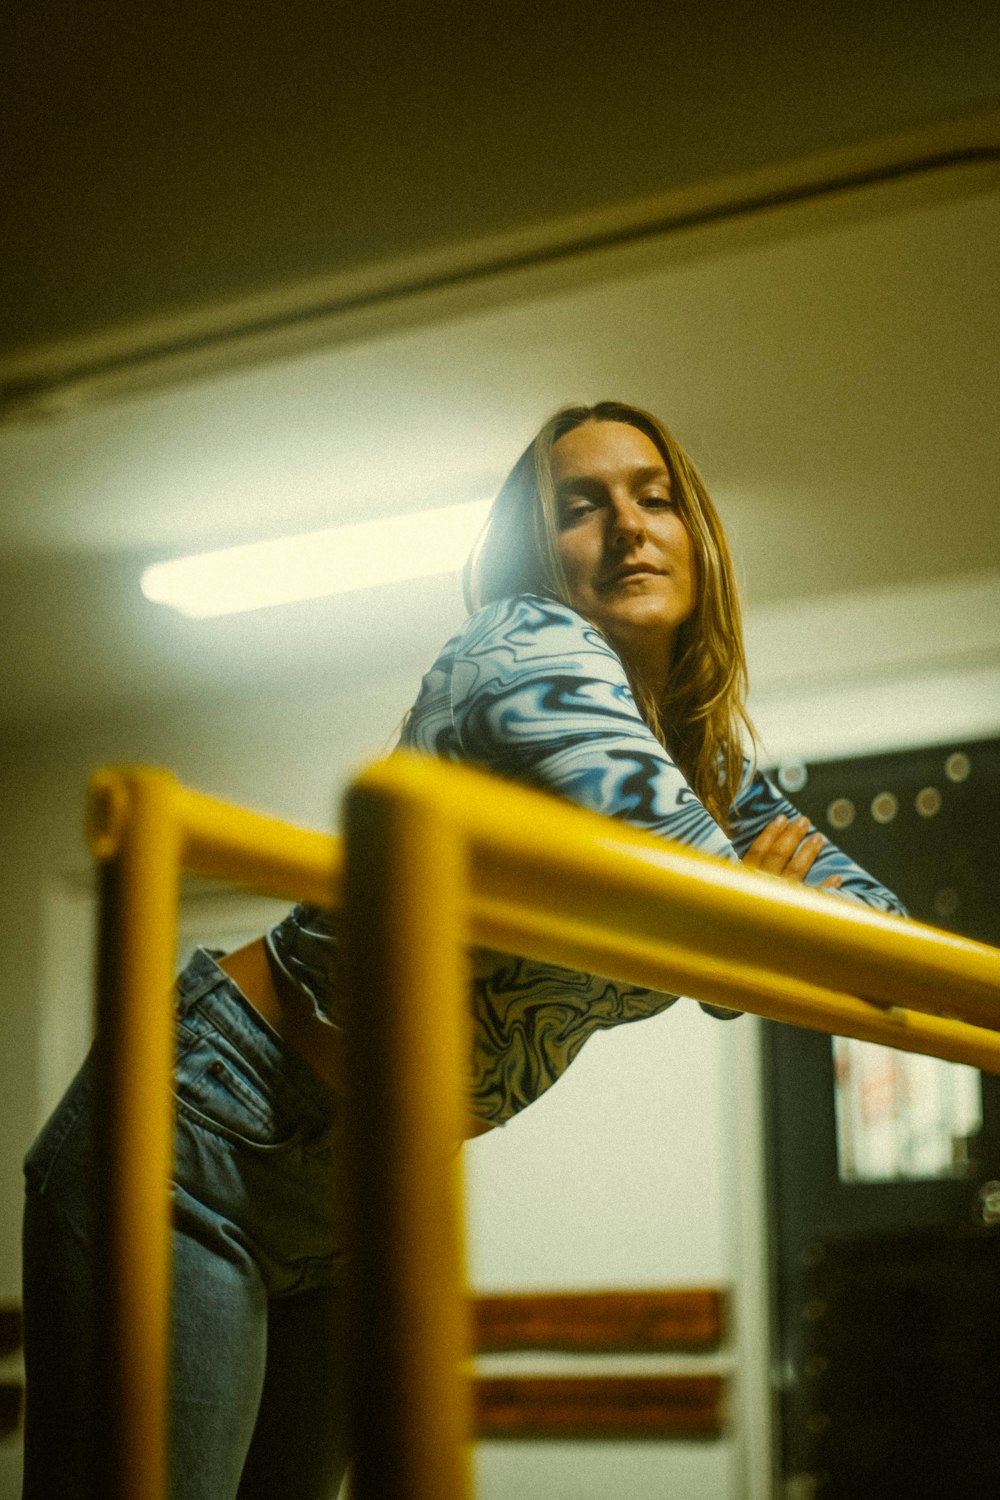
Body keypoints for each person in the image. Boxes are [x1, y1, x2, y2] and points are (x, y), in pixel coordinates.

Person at [21, 400, 906, 1500]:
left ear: (699, 537)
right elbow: (710, 910)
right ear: (534, 554)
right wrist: (756, 925)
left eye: (654, 496)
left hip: (354, 1200)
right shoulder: (518, 650)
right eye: (581, 507)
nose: (627, 527)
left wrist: (770, 931)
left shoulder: (713, 769)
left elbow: (883, 945)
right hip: (198, 1143)